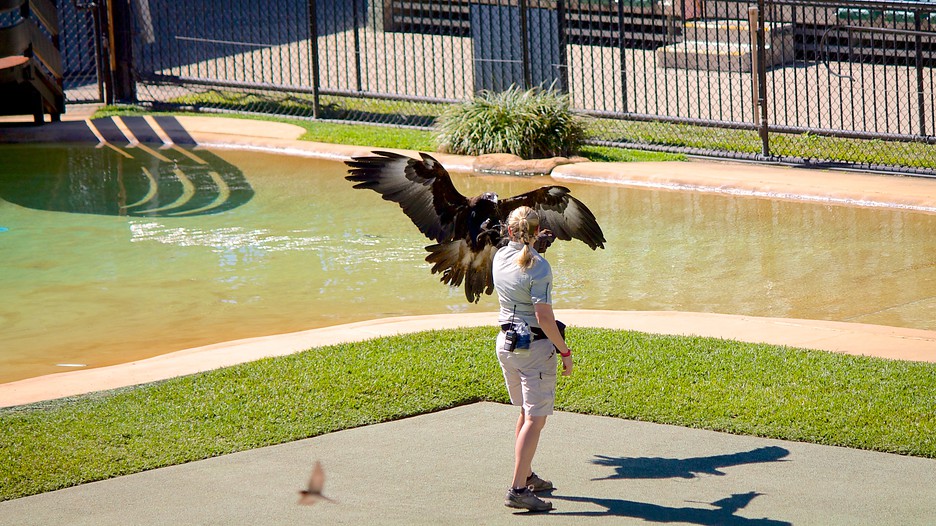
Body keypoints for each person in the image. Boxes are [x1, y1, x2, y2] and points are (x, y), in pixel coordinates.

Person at [492, 206, 573, 512]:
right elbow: (544, 318)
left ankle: (525, 475)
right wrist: (564, 351)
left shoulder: (499, 257)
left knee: (526, 413)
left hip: (507, 345)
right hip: (535, 350)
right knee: (535, 420)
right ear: (538, 232)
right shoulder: (539, 266)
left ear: (508, 230)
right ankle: (517, 489)